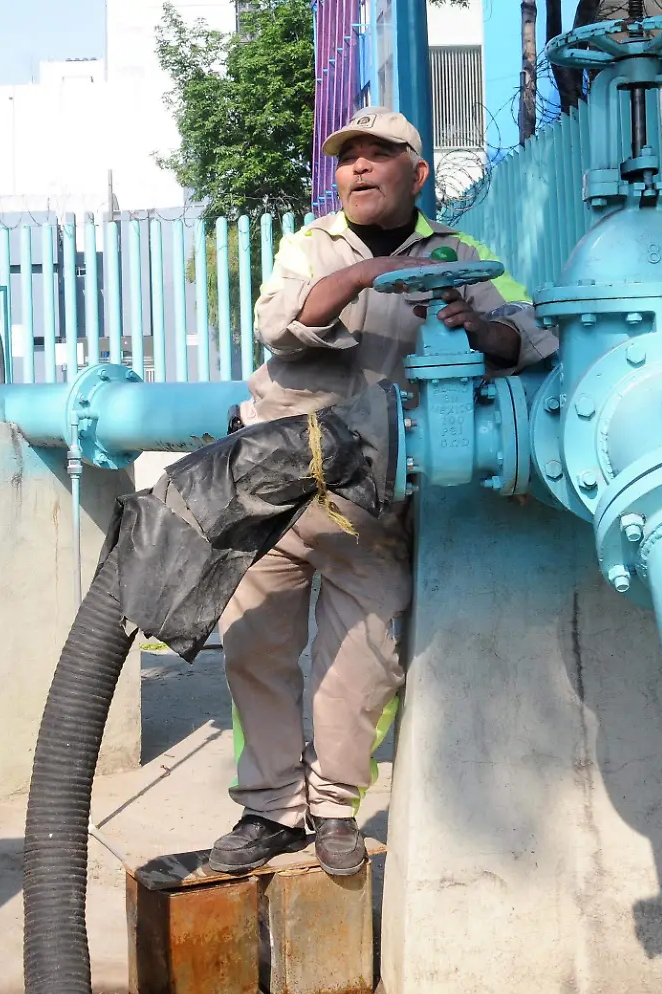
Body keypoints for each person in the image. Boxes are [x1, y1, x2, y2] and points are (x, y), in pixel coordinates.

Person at [208, 105, 558, 877]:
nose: (359, 168)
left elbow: (529, 336)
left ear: (418, 173)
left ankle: (332, 807)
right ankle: (270, 808)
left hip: (372, 493)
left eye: (379, 155)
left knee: (362, 661)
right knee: (255, 649)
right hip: (275, 483)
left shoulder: (463, 253)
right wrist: (372, 274)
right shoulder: (310, 247)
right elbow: (281, 325)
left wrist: (475, 325)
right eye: (348, 157)